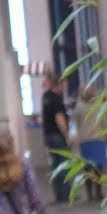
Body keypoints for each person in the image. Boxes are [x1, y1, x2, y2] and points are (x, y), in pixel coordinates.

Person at [72, 83, 107, 202]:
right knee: (99, 168)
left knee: (87, 168)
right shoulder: (99, 105)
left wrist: (77, 135)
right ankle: (99, 192)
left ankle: (89, 194)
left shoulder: (78, 107)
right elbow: (104, 121)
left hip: (85, 140)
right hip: (98, 138)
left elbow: (75, 123)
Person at [40, 75, 73, 204]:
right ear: (58, 84)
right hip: (58, 136)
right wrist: (67, 136)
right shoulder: (56, 99)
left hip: (49, 136)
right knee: (64, 165)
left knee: (55, 166)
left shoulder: (45, 97)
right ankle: (66, 194)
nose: (66, 87)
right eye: (64, 84)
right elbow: (60, 119)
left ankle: (59, 195)